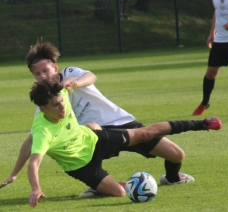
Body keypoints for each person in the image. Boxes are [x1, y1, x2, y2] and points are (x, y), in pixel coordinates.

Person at [0, 42, 202, 198]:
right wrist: (14, 173)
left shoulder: (70, 74)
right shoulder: (44, 106)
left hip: (121, 123)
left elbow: (92, 77)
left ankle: (172, 178)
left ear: (56, 67)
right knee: (92, 137)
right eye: (38, 74)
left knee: (176, 155)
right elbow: (31, 142)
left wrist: (76, 84)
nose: (43, 76)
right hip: (94, 137)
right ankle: (98, 185)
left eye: (46, 70)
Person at [28, 78, 221, 208]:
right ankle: (99, 187)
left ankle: (201, 124)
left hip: (97, 141)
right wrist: (36, 188)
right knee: (121, 193)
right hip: (82, 166)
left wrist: (75, 83)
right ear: (43, 109)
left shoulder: (61, 96)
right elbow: (34, 163)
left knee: (146, 133)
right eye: (56, 105)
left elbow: (85, 78)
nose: (62, 106)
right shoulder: (42, 131)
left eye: (62, 101)